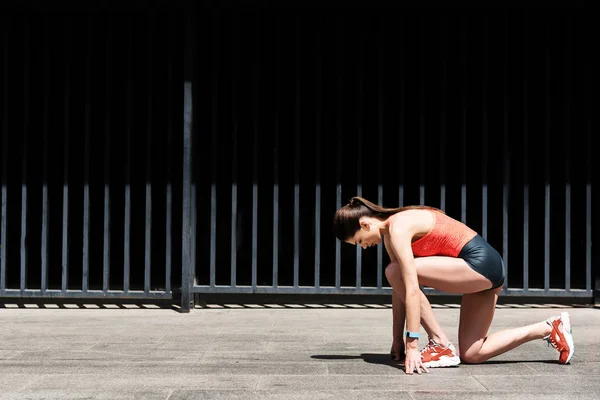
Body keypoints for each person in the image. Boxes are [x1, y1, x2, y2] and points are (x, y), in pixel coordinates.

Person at [333, 196, 574, 375]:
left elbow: (412, 288)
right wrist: (397, 339)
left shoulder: (399, 226)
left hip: (480, 264)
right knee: (473, 353)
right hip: (484, 270)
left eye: (360, 241)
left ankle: (439, 343)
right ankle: (549, 327)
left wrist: (413, 343)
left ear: (365, 224)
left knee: (395, 271)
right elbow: (401, 291)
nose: (364, 247)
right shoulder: (389, 235)